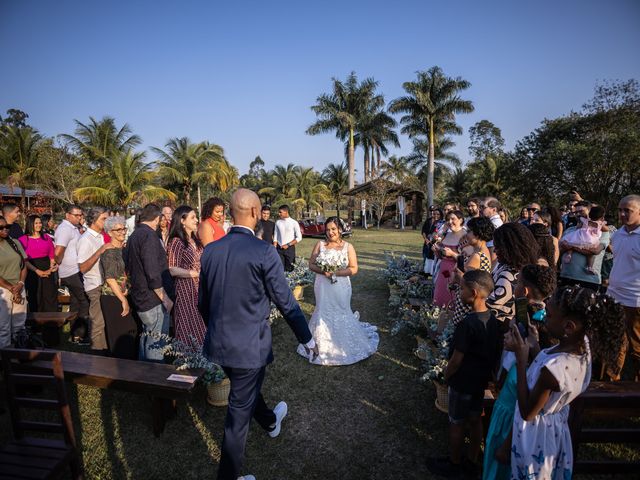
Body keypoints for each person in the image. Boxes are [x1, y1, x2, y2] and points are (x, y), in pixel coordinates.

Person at [198, 188, 317, 480]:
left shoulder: (211, 250)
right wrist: (307, 338)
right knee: (238, 414)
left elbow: (203, 302)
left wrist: (216, 330)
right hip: (248, 348)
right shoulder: (264, 251)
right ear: (254, 213)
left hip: (219, 344)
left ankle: (269, 420)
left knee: (245, 388)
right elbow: (286, 301)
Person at [507, 286, 625, 479]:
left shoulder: (553, 371)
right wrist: (535, 346)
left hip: (536, 435)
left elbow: (528, 412)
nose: (544, 314)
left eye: (550, 314)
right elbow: (550, 371)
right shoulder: (581, 346)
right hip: (555, 427)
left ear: (568, 327)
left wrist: (521, 360)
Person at [483, 264, 557, 480]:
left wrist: (499, 378)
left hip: (512, 410)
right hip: (513, 397)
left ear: (524, 291)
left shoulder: (525, 325)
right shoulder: (540, 319)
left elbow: (510, 363)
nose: (513, 284)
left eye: (517, 283)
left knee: (501, 463)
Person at [427, 270, 501, 478]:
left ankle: (455, 462)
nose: (459, 292)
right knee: (475, 419)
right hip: (479, 381)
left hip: (462, 381)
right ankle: (472, 460)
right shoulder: (493, 320)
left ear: (474, 292)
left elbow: (456, 359)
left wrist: (446, 375)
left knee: (457, 421)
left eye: (462, 289)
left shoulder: (467, 324)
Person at [297, 217, 378, 365]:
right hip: (322, 285)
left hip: (341, 285)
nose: (331, 232)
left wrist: (335, 273)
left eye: (333, 229)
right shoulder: (320, 245)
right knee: (322, 310)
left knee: (341, 310)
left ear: (340, 229)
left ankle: (343, 343)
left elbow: (354, 268)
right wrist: (324, 271)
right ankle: (319, 345)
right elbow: (311, 265)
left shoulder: (348, 246)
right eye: (328, 229)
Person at [125, 203, 173, 362]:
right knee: (156, 343)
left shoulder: (134, 235)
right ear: (158, 218)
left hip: (140, 294)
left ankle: (142, 377)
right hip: (152, 298)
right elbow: (152, 271)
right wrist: (164, 297)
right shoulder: (149, 236)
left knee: (146, 338)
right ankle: (155, 381)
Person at [607, 194, 640, 381]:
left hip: (635, 301)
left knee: (636, 348)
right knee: (614, 343)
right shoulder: (618, 234)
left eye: (627, 210)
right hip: (614, 296)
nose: (621, 214)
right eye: (620, 210)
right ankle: (612, 384)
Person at [167, 206, 206, 346]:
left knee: (200, 323)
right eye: (193, 217)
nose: (196, 220)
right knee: (187, 323)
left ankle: (201, 360)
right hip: (185, 290)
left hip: (199, 288)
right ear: (182, 221)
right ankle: (187, 360)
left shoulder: (195, 240)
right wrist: (195, 274)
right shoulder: (176, 241)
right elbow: (172, 268)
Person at [99, 216, 137, 359]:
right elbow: (110, 278)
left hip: (123, 294)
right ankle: (120, 367)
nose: (122, 231)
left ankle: (127, 366)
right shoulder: (109, 251)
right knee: (122, 332)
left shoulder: (124, 248)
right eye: (118, 229)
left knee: (130, 330)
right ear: (109, 232)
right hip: (112, 297)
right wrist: (123, 300)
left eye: (124, 228)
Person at [487, 223, 540, 325]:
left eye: (497, 247)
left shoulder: (509, 275)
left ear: (510, 249)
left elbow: (490, 307)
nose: (494, 250)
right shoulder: (521, 267)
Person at [77, 207, 113, 354]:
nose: (107, 221)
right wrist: (100, 251)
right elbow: (83, 267)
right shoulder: (85, 239)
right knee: (97, 322)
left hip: (103, 283)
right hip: (94, 285)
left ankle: (103, 351)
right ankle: (96, 354)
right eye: (104, 219)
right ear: (93, 220)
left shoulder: (100, 236)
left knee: (103, 321)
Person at [55, 205, 90, 344]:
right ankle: (80, 335)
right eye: (77, 215)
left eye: (81, 215)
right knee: (84, 301)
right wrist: (59, 265)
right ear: (67, 215)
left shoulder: (72, 228)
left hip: (73, 271)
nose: (79, 218)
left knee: (76, 303)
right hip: (71, 272)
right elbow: (58, 251)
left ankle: (75, 335)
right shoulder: (65, 229)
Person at [450, 217, 494, 326]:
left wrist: (456, 275)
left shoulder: (477, 256)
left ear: (478, 234)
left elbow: (466, 281)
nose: (466, 235)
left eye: (469, 231)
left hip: (467, 304)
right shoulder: (482, 251)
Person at [559, 203, 610, 290]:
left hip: (588, 280)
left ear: (590, 213)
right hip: (566, 276)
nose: (578, 214)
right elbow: (559, 250)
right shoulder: (569, 230)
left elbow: (595, 251)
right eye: (576, 212)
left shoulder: (602, 232)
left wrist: (572, 246)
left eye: (581, 211)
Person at [18, 214, 58, 312]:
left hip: (48, 269)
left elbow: (52, 255)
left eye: (40, 222)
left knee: (50, 296)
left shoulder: (46, 237)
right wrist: (37, 271)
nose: (39, 225)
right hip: (32, 271)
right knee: (35, 297)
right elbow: (24, 259)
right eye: (36, 223)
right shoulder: (23, 240)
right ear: (30, 224)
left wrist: (52, 267)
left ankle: (51, 323)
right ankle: (36, 324)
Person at [0, 215, 27, 349]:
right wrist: (12, 288)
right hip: (3, 290)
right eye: (1, 227)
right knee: (3, 328)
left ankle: (19, 356)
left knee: (19, 326)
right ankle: (5, 362)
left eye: (7, 227)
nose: (5, 229)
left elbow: (23, 265)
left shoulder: (14, 242)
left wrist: (20, 284)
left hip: (19, 287)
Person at [432, 210, 465, 308]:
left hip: (455, 272)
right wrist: (436, 251)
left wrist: (452, 254)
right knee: (441, 293)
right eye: (448, 219)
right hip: (443, 271)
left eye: (453, 219)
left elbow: (466, 258)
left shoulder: (465, 236)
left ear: (461, 220)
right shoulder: (447, 234)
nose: (450, 222)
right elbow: (441, 256)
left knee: (452, 296)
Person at [274, 204, 302, 272]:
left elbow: (299, 237)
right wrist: (274, 245)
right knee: (280, 269)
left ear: (286, 212)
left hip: (290, 249)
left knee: (290, 269)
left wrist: (288, 245)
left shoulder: (294, 223)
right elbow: (275, 235)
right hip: (279, 249)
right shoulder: (278, 222)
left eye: (280, 212)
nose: (279, 213)